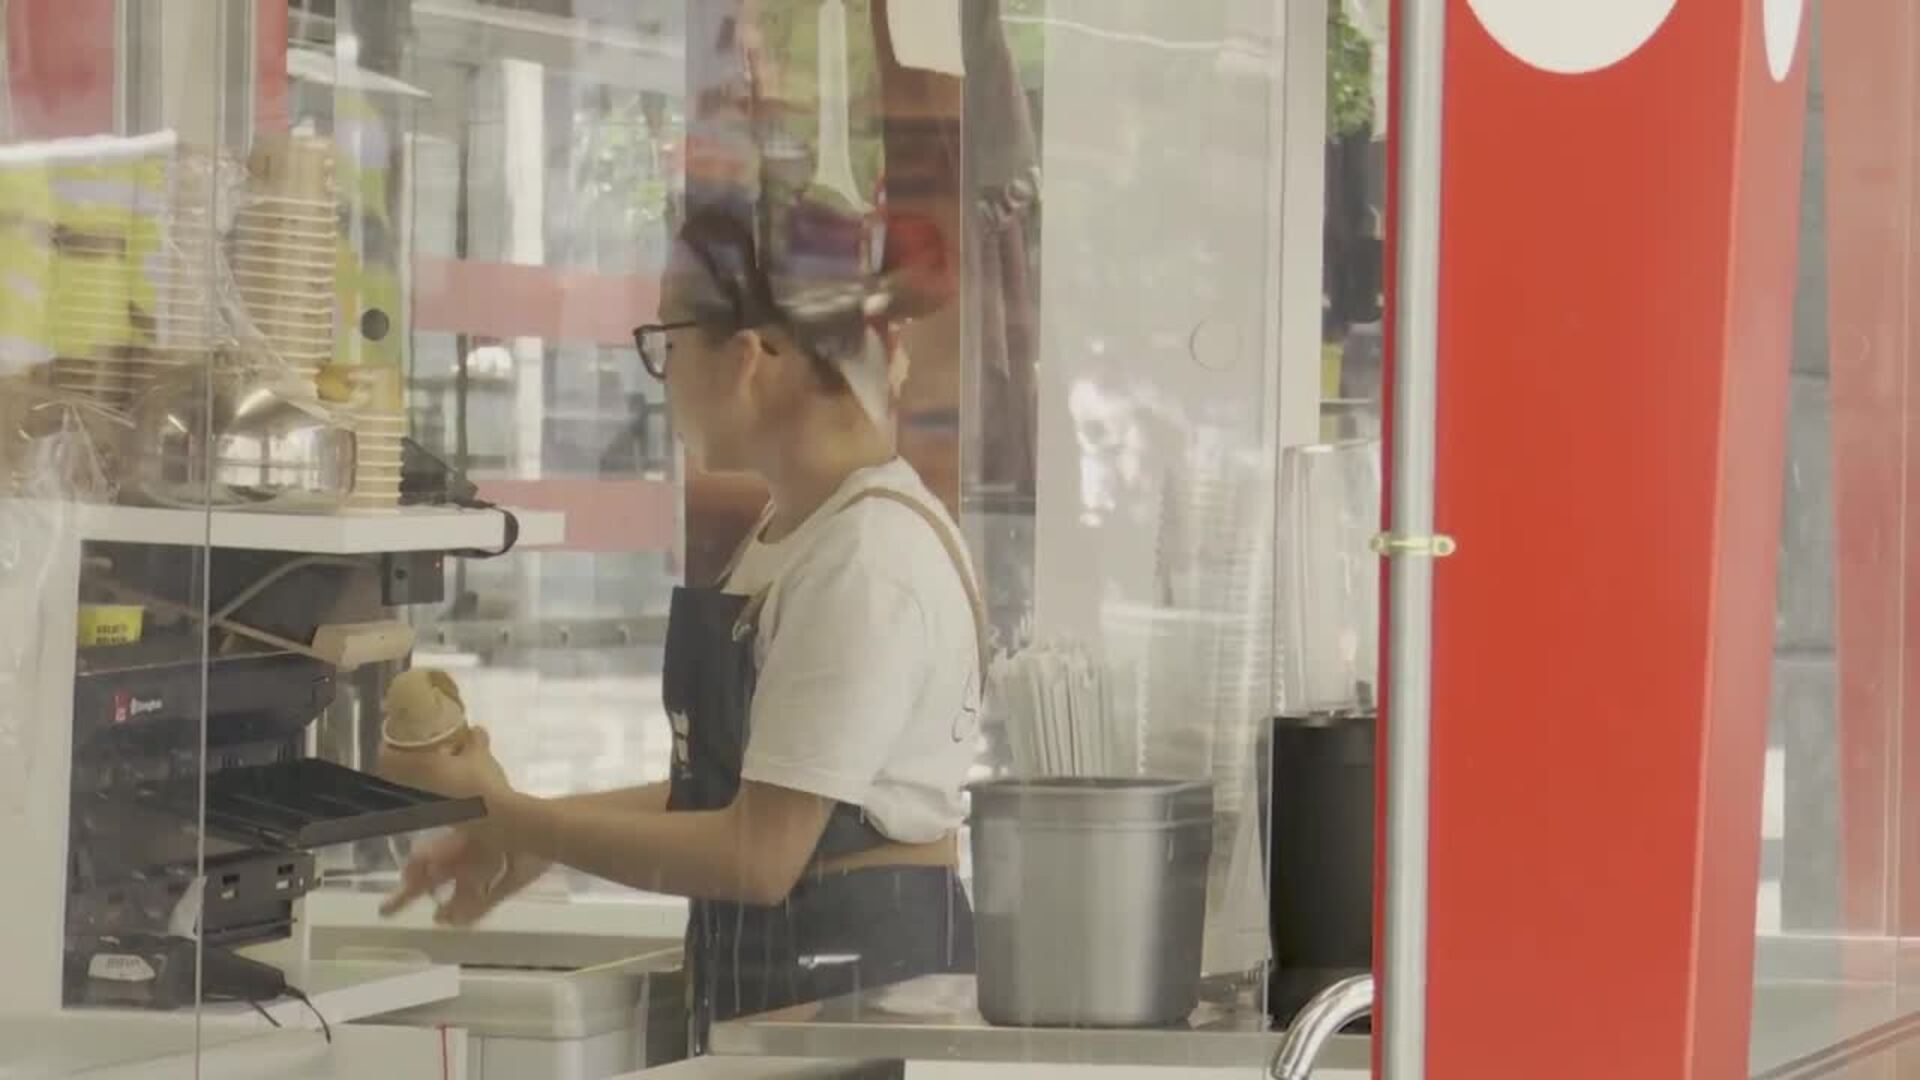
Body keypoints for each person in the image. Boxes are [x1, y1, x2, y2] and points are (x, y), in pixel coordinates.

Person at [379, 206, 985, 1036]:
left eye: (666, 340)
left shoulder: (866, 562)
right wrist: (536, 838)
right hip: (781, 1008)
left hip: (860, 1015)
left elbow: (758, 855)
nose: (660, 375)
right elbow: (726, 793)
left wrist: (504, 813)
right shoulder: (796, 532)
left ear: (748, 357)